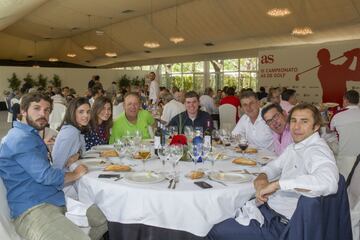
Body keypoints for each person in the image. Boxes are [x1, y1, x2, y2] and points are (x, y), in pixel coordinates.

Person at [208, 103, 339, 240]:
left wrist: (278, 184)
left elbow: (329, 182)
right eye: (294, 121)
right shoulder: (296, 147)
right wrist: (262, 177)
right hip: (268, 210)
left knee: (212, 231)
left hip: (281, 225)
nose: (296, 126)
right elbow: (274, 166)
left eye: (304, 121)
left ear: (316, 126)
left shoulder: (316, 150)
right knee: (217, 214)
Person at [0, 92, 90, 240]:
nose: (43, 114)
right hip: (32, 210)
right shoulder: (19, 139)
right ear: (23, 110)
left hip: (53, 199)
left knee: (101, 218)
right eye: (37, 108)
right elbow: (46, 176)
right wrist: (76, 174)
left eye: (47, 110)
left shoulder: (30, 135)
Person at [52, 97, 108, 240]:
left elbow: (82, 151)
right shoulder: (70, 132)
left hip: (71, 181)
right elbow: (57, 167)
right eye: (81, 112)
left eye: (88, 112)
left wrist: (77, 154)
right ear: (72, 113)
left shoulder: (76, 130)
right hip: (65, 188)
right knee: (105, 212)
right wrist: (75, 173)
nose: (86, 116)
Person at [330, 90, 360, 156]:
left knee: (328, 139)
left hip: (344, 155)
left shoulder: (337, 114)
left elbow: (329, 130)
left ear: (346, 100)